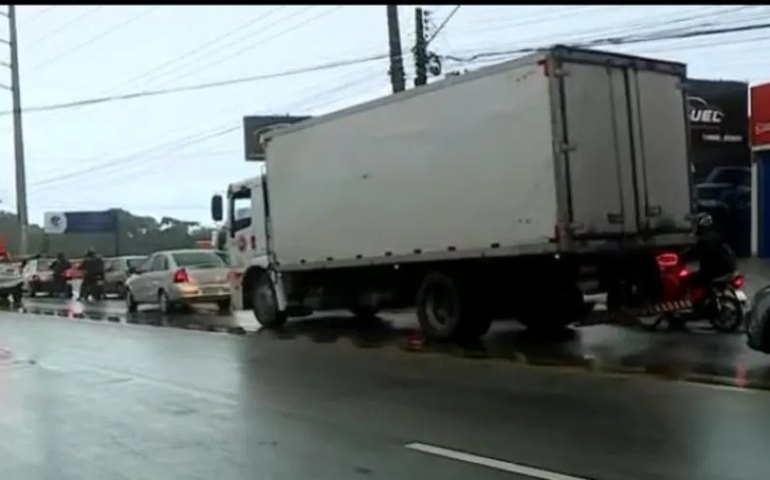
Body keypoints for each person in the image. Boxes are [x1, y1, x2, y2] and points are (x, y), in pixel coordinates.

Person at [683, 212, 738, 287]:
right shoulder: (715, 236)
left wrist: (681, 257)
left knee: (688, 280)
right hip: (729, 269)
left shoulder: (704, 240)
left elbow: (692, 254)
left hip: (714, 272)